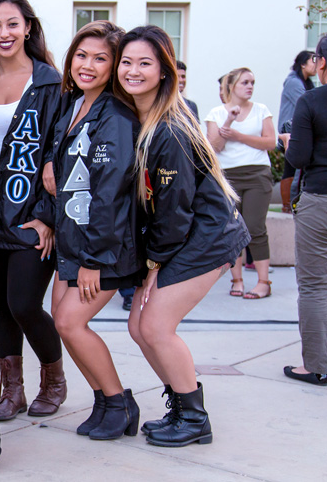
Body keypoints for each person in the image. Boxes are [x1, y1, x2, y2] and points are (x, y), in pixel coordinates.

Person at [115, 25, 250, 447]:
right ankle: (181, 404)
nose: (132, 70)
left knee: (154, 326)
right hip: (184, 235)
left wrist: (154, 265)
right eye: (126, 61)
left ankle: (195, 419)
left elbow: (174, 212)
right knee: (138, 326)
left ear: (164, 71)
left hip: (206, 237)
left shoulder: (169, 129)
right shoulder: (138, 117)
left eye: (144, 63)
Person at [0, 0, 66, 420]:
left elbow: (60, 152)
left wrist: (47, 216)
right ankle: (13, 390)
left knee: (24, 302)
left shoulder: (51, 83)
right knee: (1, 304)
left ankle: (55, 379)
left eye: (11, 24)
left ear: (27, 27)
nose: (4, 33)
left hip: (29, 214)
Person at [50, 21, 144, 440]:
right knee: (62, 321)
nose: (87, 65)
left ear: (114, 66)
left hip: (103, 248)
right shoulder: (74, 105)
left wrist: (94, 260)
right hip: (72, 239)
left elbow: (110, 192)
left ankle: (120, 401)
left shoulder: (117, 115)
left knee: (71, 323)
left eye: (100, 58)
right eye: (81, 55)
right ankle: (105, 403)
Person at [205, 68, 276, 299]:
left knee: (255, 228)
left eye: (252, 82)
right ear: (232, 85)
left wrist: (240, 136)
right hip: (227, 177)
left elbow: (270, 143)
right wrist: (230, 120)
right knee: (234, 230)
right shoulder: (216, 113)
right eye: (245, 82)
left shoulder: (261, 110)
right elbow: (214, 147)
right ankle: (237, 281)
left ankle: (264, 282)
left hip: (257, 174)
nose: (250, 86)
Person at [282, 34, 327, 386]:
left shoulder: (311, 101)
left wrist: (288, 143)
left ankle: (317, 365)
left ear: (321, 62)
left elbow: (297, 158)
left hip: (320, 199)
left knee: (314, 286)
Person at [278, 50, 317, 213]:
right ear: (302, 64)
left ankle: (291, 203)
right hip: (289, 132)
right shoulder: (294, 82)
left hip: (299, 131)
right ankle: (287, 205)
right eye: (312, 61)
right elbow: (308, 103)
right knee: (290, 168)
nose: (316, 65)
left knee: (294, 168)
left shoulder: (307, 82)